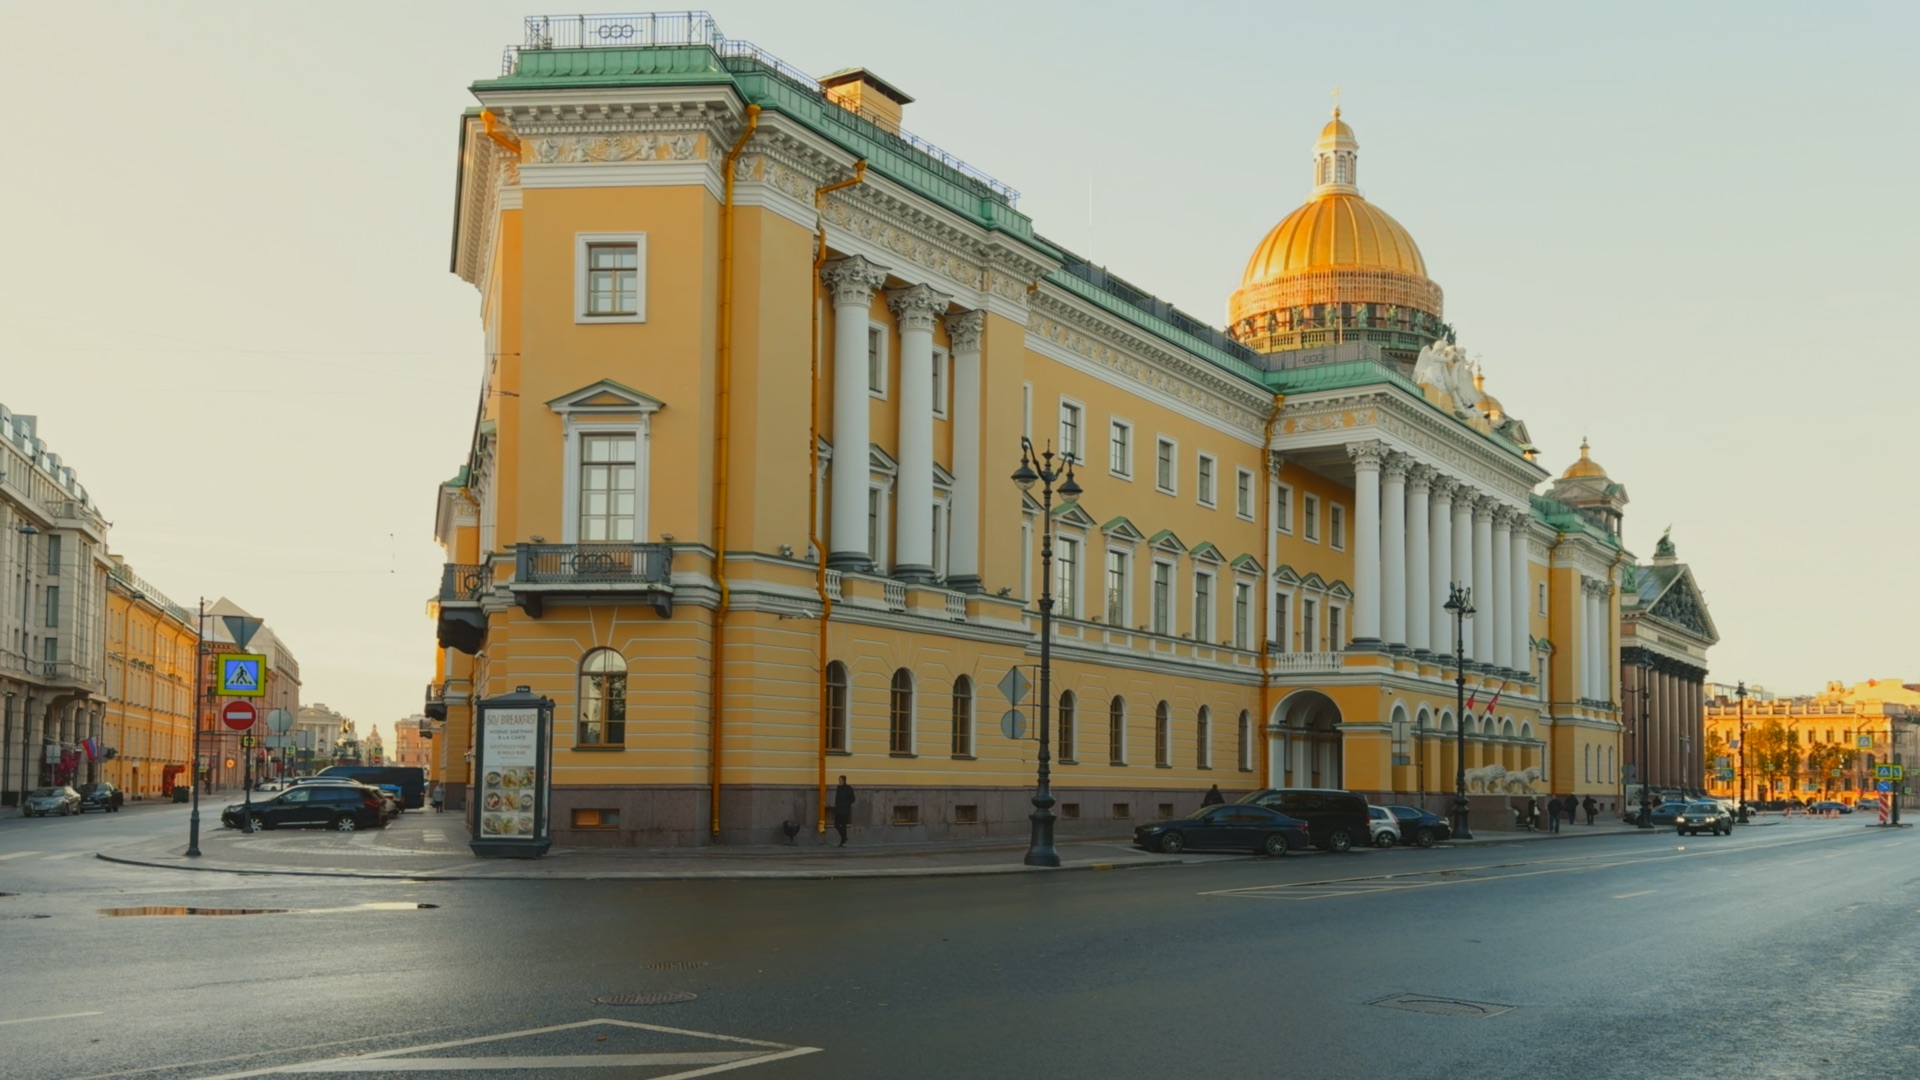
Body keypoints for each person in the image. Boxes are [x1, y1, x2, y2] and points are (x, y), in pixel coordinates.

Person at [832, 775, 856, 847]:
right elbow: (837, 799)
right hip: (838, 809)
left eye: (841, 780)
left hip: (845, 810)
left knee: (843, 825)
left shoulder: (848, 788)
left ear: (844, 781)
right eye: (839, 780)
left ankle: (843, 840)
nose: (839, 782)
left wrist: (846, 804)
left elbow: (853, 799)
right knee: (836, 825)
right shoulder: (838, 788)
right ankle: (844, 837)